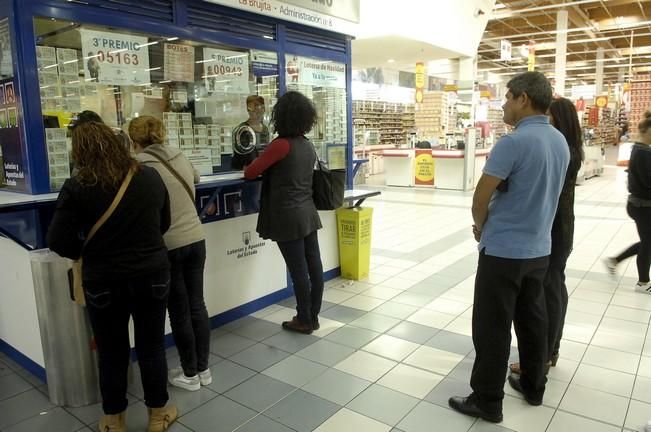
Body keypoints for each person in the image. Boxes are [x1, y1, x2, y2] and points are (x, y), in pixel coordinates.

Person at [448, 71, 569, 423]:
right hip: (539, 250)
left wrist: (482, 227)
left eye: (507, 97)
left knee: (492, 326)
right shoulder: (559, 141)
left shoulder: (512, 143)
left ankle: (487, 400)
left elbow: (481, 196)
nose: (503, 104)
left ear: (523, 99)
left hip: (503, 251)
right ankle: (534, 385)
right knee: (532, 320)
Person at [46, 121, 178, 432]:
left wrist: (88, 249)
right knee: (152, 347)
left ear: (79, 152)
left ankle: (113, 420)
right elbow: (164, 222)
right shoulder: (149, 176)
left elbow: (58, 240)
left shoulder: (77, 187)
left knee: (111, 351)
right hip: (152, 275)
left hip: (104, 280)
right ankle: (158, 417)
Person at [129, 115, 211, 392]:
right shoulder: (178, 154)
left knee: (179, 311)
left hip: (168, 243)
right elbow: (197, 177)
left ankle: (190, 374)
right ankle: (204, 369)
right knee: (197, 305)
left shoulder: (138, 165)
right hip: (196, 238)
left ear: (135, 140)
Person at [508, 98, 584, 375]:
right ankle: (550, 351)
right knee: (554, 287)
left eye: (549, 114)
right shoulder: (570, 149)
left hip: (552, 227)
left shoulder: (558, 148)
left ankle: (542, 357)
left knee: (548, 292)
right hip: (562, 225)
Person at [244, 91, 324, 334]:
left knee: (298, 270)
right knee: (314, 267)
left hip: (287, 216)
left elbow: (250, 173)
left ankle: (304, 319)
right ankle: (313, 316)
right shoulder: (307, 145)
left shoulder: (280, 145)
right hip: (308, 213)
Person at [604, 111, 651, 293]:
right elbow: (647, 183)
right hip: (643, 205)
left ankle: (615, 261)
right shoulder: (643, 153)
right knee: (648, 243)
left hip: (638, 204)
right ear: (647, 131)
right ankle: (643, 282)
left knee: (648, 242)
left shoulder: (640, 150)